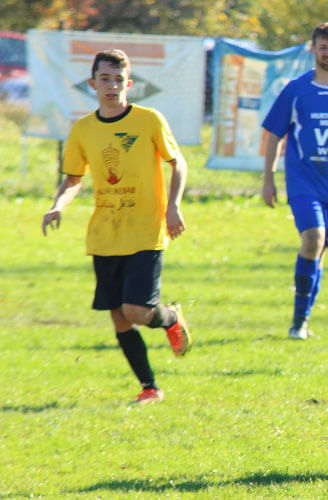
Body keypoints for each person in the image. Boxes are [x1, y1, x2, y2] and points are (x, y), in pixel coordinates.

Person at [41, 49, 192, 406]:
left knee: (137, 311)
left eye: (118, 80)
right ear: (92, 84)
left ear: (130, 84)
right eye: (105, 79)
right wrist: (57, 205)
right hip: (105, 235)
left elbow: (178, 163)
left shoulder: (148, 120)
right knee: (120, 319)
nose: (112, 86)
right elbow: (74, 178)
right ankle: (150, 388)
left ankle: (169, 317)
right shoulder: (82, 130)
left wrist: (173, 206)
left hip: (145, 230)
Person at [261, 22, 328, 340]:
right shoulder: (297, 89)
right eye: (323, 47)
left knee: (319, 252)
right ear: (313, 49)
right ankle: (298, 321)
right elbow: (274, 135)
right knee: (313, 239)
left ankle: (303, 320)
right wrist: (268, 178)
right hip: (302, 181)